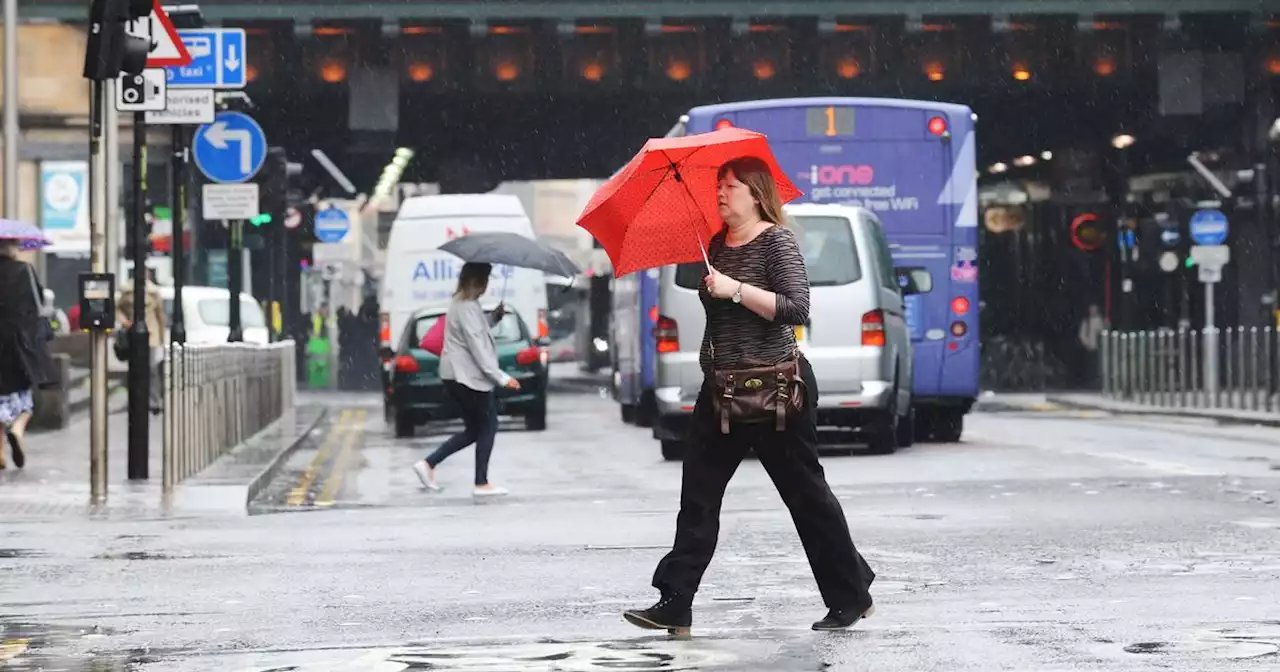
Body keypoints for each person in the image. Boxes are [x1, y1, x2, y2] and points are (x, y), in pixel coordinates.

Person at [623, 156, 877, 635]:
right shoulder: (716, 244)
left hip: (777, 390)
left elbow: (795, 308)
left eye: (730, 186)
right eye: (718, 186)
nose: (721, 193)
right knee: (697, 498)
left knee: (805, 495)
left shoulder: (776, 241)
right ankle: (675, 603)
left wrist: (735, 288)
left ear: (756, 194)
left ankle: (850, 595)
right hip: (721, 392)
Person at [411, 262, 520, 498]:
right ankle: (481, 483)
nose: (488, 284)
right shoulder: (467, 307)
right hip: (466, 376)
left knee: (475, 429)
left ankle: (429, 464)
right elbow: (477, 346)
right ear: (477, 280)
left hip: (459, 375)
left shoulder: (463, 304)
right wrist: (502, 378)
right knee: (488, 425)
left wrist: (493, 318)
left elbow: (475, 331)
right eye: (486, 278)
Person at [0, 240, 55, 469]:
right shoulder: (24, 270)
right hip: (19, 342)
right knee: (24, 398)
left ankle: (0, 453)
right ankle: (18, 429)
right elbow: (38, 301)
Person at [116, 269, 167, 414]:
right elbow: (118, 309)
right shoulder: (128, 291)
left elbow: (160, 315)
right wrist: (125, 322)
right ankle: (134, 399)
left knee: (151, 369)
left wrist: (162, 338)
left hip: (151, 334)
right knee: (134, 369)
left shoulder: (154, 292)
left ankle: (153, 400)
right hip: (133, 333)